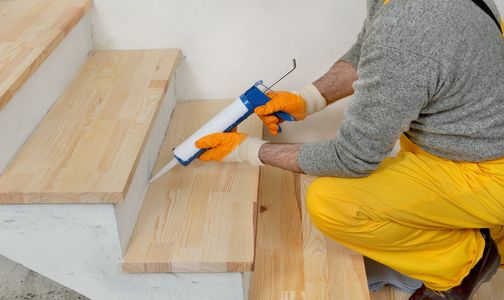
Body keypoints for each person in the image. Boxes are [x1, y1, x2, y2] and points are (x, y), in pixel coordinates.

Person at [195, 0, 504, 299]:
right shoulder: (400, 14)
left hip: (488, 172)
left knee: (332, 203)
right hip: (473, 141)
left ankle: (467, 261)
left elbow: (352, 158)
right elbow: (369, 46)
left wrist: (249, 151)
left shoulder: (408, 29)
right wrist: (308, 98)